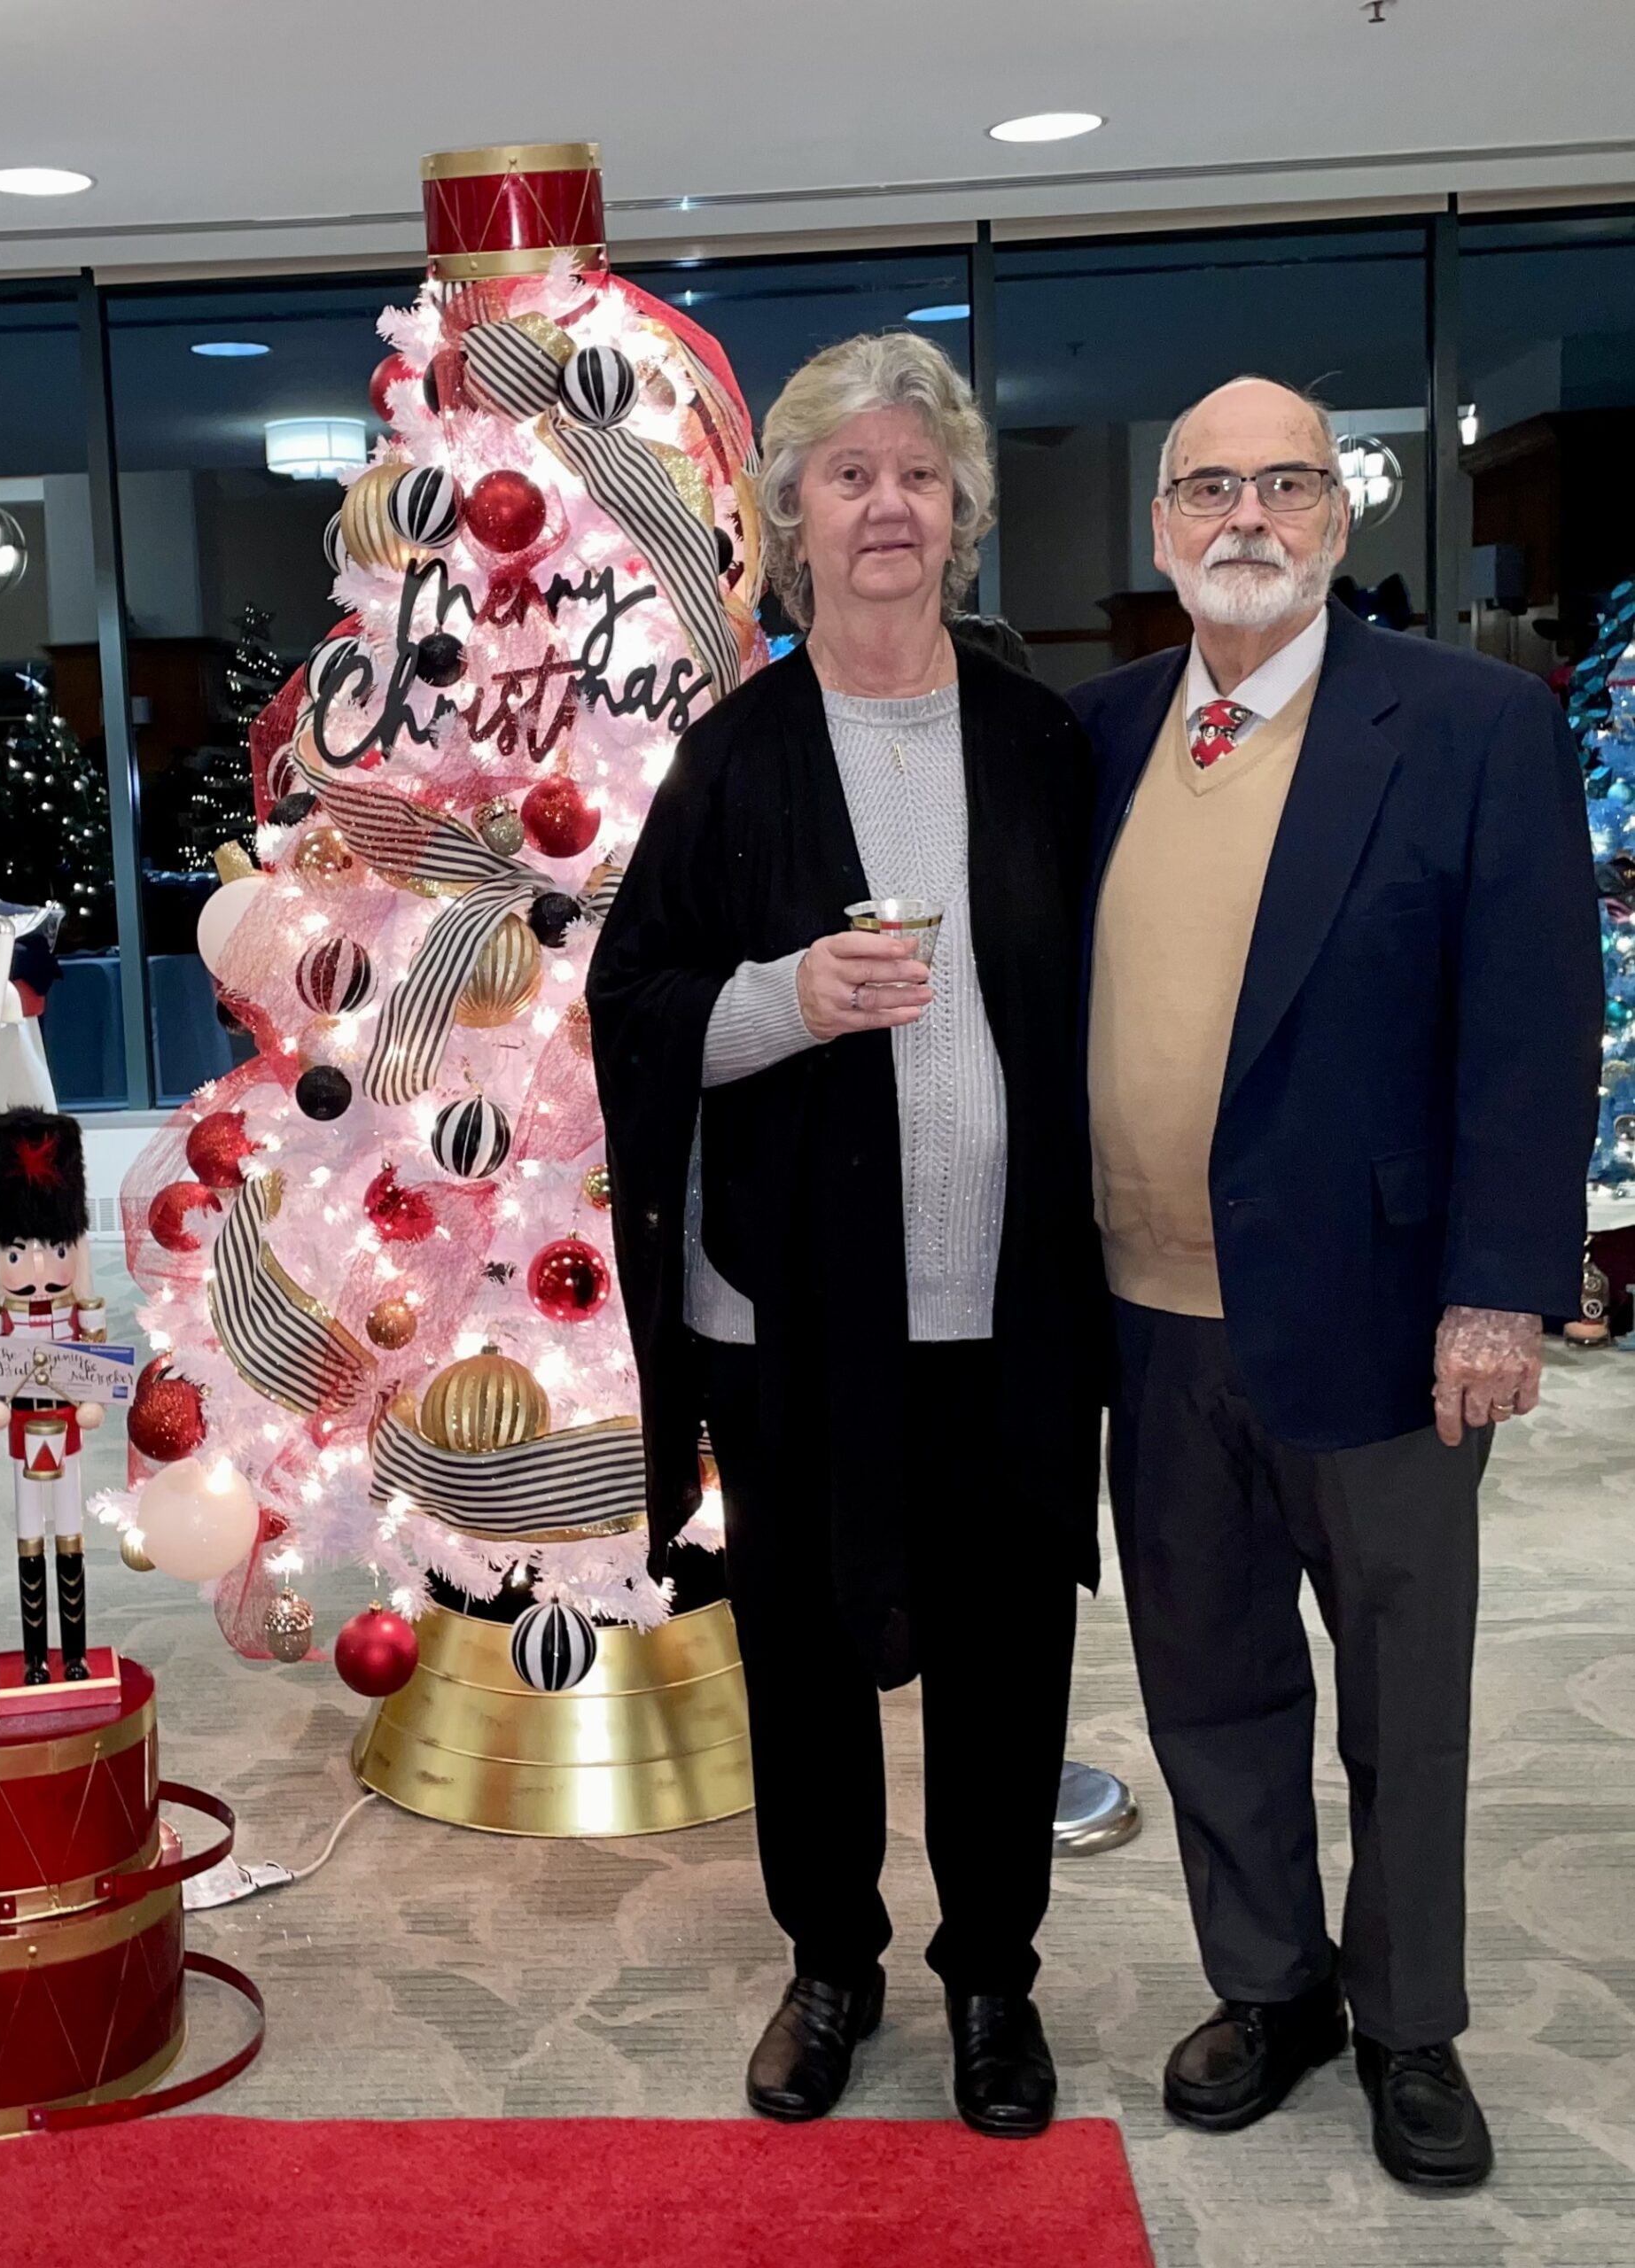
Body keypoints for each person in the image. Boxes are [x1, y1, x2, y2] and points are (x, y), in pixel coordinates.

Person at [1071, 376, 1601, 2191]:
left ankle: (1410, 2020)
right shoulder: (1103, 731)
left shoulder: (1462, 726)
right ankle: (1270, 1984)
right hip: (1143, 1317)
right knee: (1206, 1680)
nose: (1243, 518)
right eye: (1205, 486)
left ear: (1334, 519)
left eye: (1281, 485)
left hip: (1382, 1317)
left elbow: (1536, 1032)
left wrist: (1497, 1289)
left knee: (1400, 1697)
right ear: (1159, 528)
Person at [588, 332, 1103, 2135]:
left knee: (1004, 1660)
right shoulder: (729, 763)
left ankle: (990, 1976)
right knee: (801, 1664)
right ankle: (830, 1960)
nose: (886, 504)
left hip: (1007, 1311)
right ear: (787, 519)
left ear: (959, 510)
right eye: (845, 474)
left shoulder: (1044, 744)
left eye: (918, 471)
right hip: (788, 1315)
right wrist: (788, 995)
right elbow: (635, 1007)